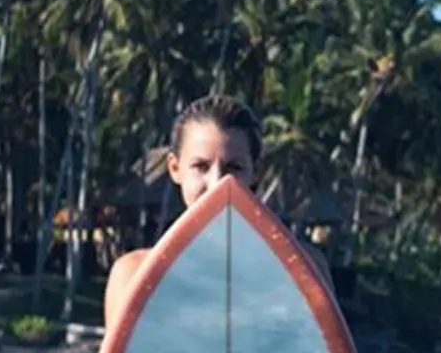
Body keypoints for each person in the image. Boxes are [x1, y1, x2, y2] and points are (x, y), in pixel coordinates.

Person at [102, 93, 332, 334]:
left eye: (234, 168)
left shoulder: (305, 269)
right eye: (201, 166)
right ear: (175, 168)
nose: (218, 184)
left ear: (256, 171)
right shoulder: (134, 276)